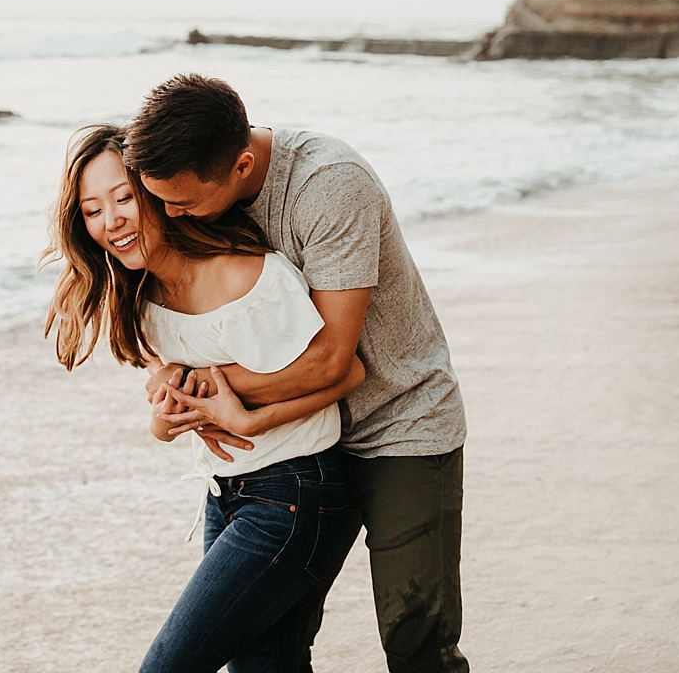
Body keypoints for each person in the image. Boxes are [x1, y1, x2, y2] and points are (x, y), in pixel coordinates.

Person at [124, 74, 468, 673]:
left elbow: (333, 359)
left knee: (416, 641)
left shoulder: (327, 186)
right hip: (299, 447)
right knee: (266, 645)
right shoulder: (189, 180)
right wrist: (165, 375)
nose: (169, 215)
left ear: (241, 165)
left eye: (181, 204)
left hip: (400, 425)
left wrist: (209, 389)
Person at [43, 124, 367, 673]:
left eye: (124, 198)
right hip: (225, 496)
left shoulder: (248, 278)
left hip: (295, 493)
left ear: (159, 194)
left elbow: (345, 370)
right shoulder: (143, 295)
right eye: (93, 210)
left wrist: (253, 417)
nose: (111, 220)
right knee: (264, 665)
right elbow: (171, 407)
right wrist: (164, 422)